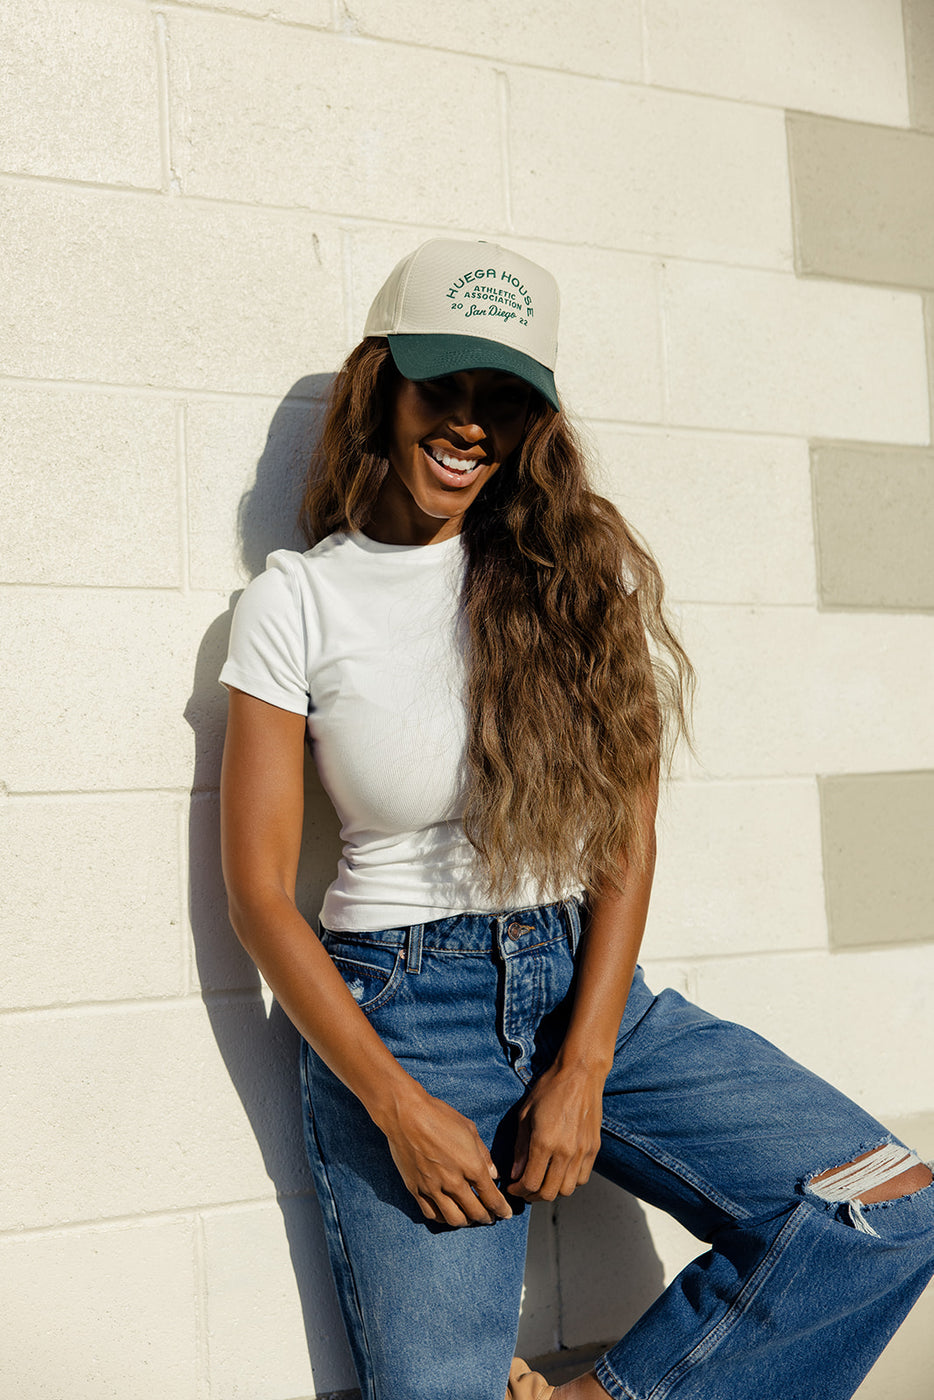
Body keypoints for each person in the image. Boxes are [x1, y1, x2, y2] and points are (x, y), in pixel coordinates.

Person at [219, 238, 934, 1400]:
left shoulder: (570, 578)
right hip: (402, 1016)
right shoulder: (298, 599)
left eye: (500, 399)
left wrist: (586, 1061)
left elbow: (625, 834)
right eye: (440, 387)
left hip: (580, 981)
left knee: (885, 1208)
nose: (466, 424)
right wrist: (397, 1106)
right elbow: (258, 895)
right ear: (381, 386)